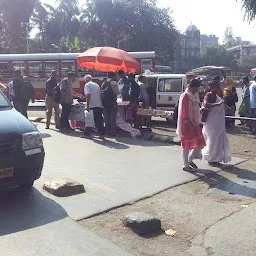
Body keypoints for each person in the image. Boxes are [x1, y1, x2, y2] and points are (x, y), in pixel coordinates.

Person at [176, 78, 206, 171]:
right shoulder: (185, 96)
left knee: (199, 143)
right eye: (196, 88)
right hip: (187, 124)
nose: (197, 90)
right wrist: (190, 124)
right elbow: (184, 112)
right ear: (192, 87)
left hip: (195, 122)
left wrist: (201, 110)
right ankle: (185, 165)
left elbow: (196, 107)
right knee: (186, 145)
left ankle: (190, 159)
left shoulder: (195, 95)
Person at [202, 80, 231, 166]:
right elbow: (206, 104)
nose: (217, 88)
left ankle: (216, 159)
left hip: (218, 122)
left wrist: (227, 107)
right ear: (211, 87)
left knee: (219, 140)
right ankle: (211, 159)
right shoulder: (208, 95)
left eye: (218, 86)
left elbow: (221, 104)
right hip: (211, 122)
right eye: (215, 86)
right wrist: (218, 104)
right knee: (212, 140)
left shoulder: (217, 95)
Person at [83, 75, 104, 139]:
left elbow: (88, 95)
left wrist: (87, 105)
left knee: (90, 120)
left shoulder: (87, 85)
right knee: (99, 120)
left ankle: (87, 134)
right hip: (99, 104)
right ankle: (102, 134)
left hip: (92, 105)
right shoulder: (96, 85)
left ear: (86, 80)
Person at [102, 72, 119, 137]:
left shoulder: (104, 83)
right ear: (113, 76)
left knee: (106, 120)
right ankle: (113, 134)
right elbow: (117, 93)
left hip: (105, 104)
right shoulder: (114, 83)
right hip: (112, 103)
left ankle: (107, 133)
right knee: (113, 120)